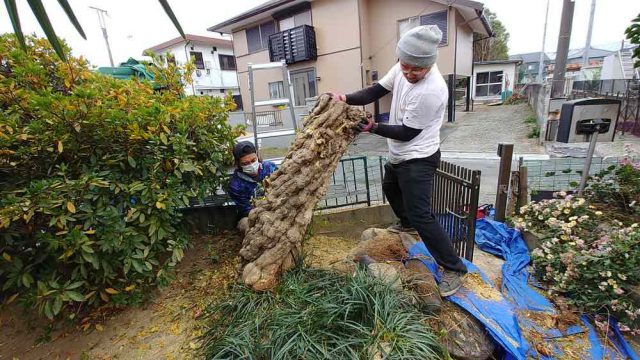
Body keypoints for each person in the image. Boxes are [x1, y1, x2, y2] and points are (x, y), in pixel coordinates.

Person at [331, 25, 467, 296]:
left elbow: (407, 133)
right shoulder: (402, 67)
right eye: (405, 66)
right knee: (390, 187)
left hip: (418, 156)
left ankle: (454, 267)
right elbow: (374, 91)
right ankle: (406, 223)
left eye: (417, 69)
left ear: (429, 65)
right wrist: (345, 98)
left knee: (422, 214)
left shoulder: (431, 90)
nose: (409, 73)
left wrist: (372, 128)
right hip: (399, 153)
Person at [227, 141, 277, 235]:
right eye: (245, 163)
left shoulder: (270, 168)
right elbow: (246, 210)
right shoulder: (235, 185)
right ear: (238, 164)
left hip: (275, 206)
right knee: (249, 227)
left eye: (253, 160)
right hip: (252, 216)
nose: (251, 165)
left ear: (257, 156)